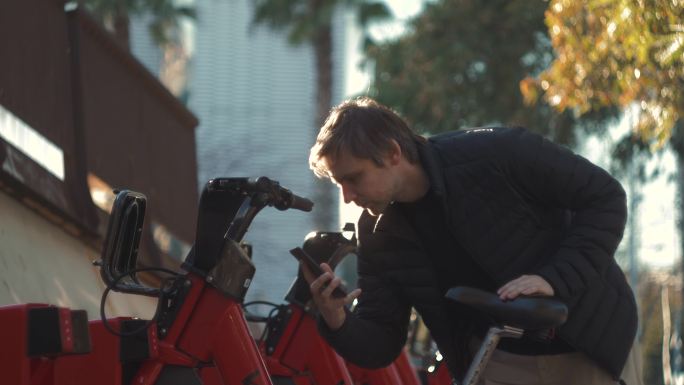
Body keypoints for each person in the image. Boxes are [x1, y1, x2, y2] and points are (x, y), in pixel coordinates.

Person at [300, 97, 638, 385]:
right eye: (338, 183)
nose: (347, 196)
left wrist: (553, 278)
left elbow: (604, 197)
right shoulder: (375, 233)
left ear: (392, 153)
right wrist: (337, 321)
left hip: (590, 343)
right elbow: (383, 341)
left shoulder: (496, 153)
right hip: (497, 361)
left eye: (353, 178)